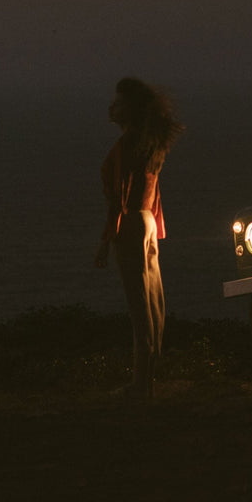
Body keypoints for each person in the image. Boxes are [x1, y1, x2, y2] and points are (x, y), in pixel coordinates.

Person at [94, 77, 183, 400]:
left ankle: (141, 386)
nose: (111, 107)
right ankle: (147, 379)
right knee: (154, 302)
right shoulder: (150, 144)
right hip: (147, 222)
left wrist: (106, 241)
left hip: (131, 224)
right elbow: (152, 192)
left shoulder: (125, 146)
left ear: (128, 109)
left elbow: (119, 199)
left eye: (117, 103)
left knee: (138, 306)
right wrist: (156, 230)